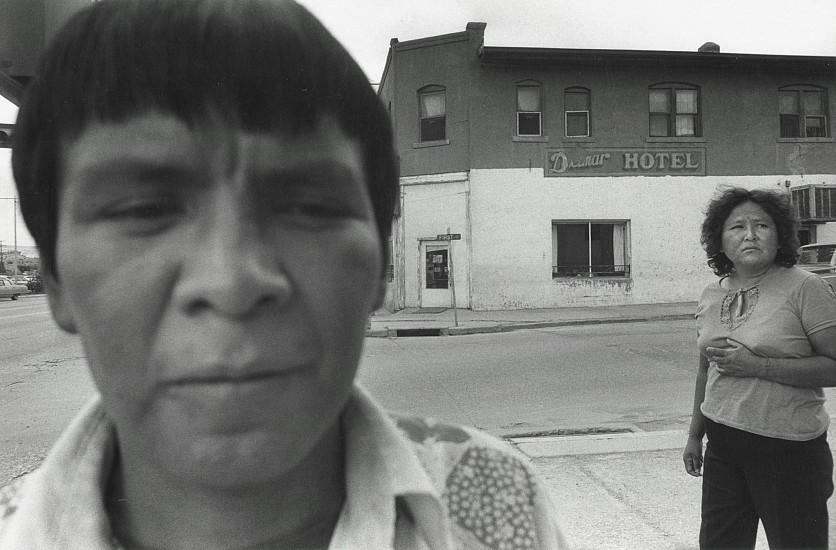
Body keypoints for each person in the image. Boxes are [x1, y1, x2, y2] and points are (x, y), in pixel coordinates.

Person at [0, 1, 565, 548]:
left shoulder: (500, 504)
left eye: (310, 208)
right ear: (54, 278)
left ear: (381, 264)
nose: (232, 283)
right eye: (143, 211)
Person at [683, 186, 836, 549]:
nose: (749, 235)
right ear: (719, 240)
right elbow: (707, 370)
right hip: (724, 448)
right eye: (737, 227)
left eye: (761, 226)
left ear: (780, 235)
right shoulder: (711, 294)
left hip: (789, 453)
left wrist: (758, 366)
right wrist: (694, 435)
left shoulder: (805, 287)